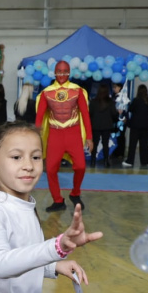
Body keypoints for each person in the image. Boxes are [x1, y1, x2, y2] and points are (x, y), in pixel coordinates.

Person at [0, 122, 102, 293]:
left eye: (35, 157)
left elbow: (22, 254)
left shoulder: (24, 204)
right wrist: (56, 247)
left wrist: (54, 266)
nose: (28, 166)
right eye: (16, 157)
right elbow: (0, 263)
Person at [35, 60, 92, 212]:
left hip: (73, 133)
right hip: (55, 134)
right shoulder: (47, 92)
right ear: (54, 72)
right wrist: (35, 138)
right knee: (51, 169)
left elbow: (85, 115)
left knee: (80, 166)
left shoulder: (77, 91)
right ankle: (58, 200)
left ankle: (75, 193)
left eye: (65, 71)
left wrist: (89, 137)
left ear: (69, 72)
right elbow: (39, 117)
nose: (62, 74)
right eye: (59, 71)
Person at [88, 85, 118, 168]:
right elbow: (114, 114)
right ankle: (106, 161)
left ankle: (93, 161)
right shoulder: (111, 102)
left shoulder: (93, 102)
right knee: (105, 144)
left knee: (95, 143)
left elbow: (89, 114)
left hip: (95, 126)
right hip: (107, 126)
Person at [124, 85, 148, 168]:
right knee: (144, 144)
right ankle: (144, 161)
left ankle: (130, 161)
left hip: (135, 125)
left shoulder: (136, 100)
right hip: (146, 125)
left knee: (133, 144)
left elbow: (131, 109)